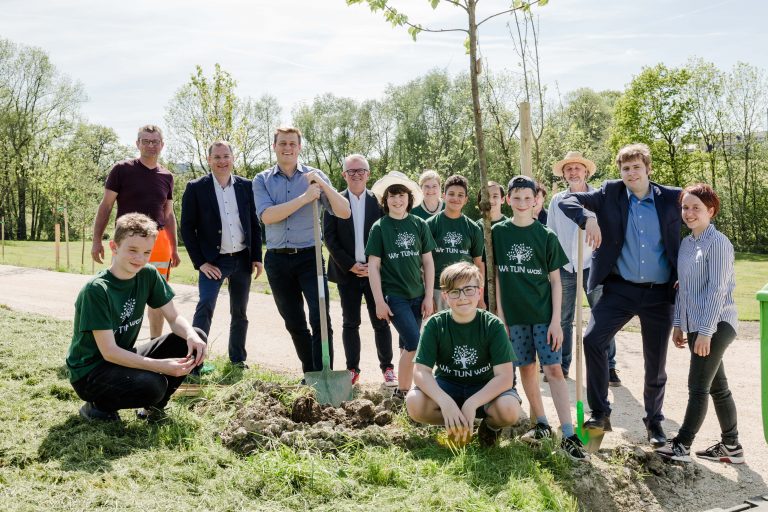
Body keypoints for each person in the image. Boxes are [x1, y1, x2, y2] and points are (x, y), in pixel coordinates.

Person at [558, 143, 681, 448]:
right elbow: (567, 199)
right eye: (625, 168)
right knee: (593, 340)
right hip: (619, 288)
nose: (630, 173)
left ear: (648, 169)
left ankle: (654, 423)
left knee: (655, 362)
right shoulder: (610, 193)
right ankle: (600, 413)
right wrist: (587, 218)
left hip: (659, 293)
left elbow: (700, 213)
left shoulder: (672, 198)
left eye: (636, 167)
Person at [67, 213, 207, 422]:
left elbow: (173, 316)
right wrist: (162, 366)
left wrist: (190, 335)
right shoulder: (96, 290)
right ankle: (97, 406)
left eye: (146, 252)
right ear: (114, 247)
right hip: (91, 372)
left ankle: (152, 409)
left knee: (195, 336)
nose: (139, 258)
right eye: (132, 250)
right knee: (154, 384)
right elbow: (109, 352)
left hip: (121, 357)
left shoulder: (148, 275)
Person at [493, 175, 588, 461]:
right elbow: (497, 275)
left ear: (536, 200)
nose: (522, 203)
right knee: (526, 369)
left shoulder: (545, 235)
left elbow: (556, 281)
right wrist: (501, 315)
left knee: (554, 370)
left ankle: (569, 433)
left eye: (528, 198)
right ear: (508, 199)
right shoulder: (497, 233)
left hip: (545, 317)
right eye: (516, 198)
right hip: (515, 317)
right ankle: (542, 424)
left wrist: (557, 320)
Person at [655, 184, 743, 464]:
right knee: (718, 387)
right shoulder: (687, 243)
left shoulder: (718, 244)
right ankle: (732, 447)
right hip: (696, 325)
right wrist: (679, 324)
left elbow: (716, 290)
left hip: (717, 324)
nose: (689, 213)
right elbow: (683, 288)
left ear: (711, 211)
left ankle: (682, 444)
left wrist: (705, 332)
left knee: (697, 386)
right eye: (685, 207)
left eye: (696, 208)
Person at [253, 127, 351, 373]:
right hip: (277, 260)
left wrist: (323, 188)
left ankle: (324, 373)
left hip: (311, 259)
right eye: (283, 143)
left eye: (292, 144)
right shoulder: (262, 180)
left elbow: (344, 211)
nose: (288, 148)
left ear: (299, 148)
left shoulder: (314, 175)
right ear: (274, 146)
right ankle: (311, 373)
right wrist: (305, 198)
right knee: (294, 322)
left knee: (320, 318)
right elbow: (268, 216)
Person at [406, 262, 521, 447]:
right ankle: (455, 423)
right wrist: (445, 401)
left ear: (479, 292)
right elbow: (421, 372)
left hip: (485, 388)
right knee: (414, 403)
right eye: (454, 291)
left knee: (509, 410)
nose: (462, 297)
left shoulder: (493, 325)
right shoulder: (435, 324)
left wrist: (472, 403)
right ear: (445, 295)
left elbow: (505, 377)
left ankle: (489, 428)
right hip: (449, 385)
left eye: (468, 289)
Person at [91, 124, 180, 339]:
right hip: (127, 240)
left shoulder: (167, 176)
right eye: (146, 141)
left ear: (162, 145)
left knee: (158, 297)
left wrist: (174, 249)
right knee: (120, 290)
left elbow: (168, 215)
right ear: (137, 143)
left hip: (158, 244)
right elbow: (106, 206)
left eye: (155, 141)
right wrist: (96, 240)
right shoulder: (122, 169)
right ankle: (113, 343)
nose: (151, 145)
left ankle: (154, 344)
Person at [180, 141, 263, 368]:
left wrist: (257, 257)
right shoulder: (196, 187)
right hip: (213, 261)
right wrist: (200, 263)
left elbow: (254, 224)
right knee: (205, 306)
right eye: (217, 157)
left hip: (242, 260)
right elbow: (186, 228)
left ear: (233, 158)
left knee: (240, 312)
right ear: (209, 160)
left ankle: (237, 360)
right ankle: (194, 363)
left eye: (226, 156)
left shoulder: (246, 186)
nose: (222, 161)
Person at [548, 152, 620, 385]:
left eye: (577, 168)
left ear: (586, 172)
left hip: (593, 265)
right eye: (568, 169)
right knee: (563, 318)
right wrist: (554, 264)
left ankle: (609, 367)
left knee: (602, 316)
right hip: (565, 266)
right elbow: (551, 232)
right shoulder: (557, 200)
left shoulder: (599, 197)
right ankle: (562, 364)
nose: (573, 172)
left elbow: (609, 231)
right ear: (564, 174)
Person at [323, 154, 396, 386]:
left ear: (368, 174)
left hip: (375, 273)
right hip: (347, 272)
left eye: (360, 171)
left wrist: (376, 265)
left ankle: (387, 368)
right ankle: (352, 369)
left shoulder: (380, 202)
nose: (356, 175)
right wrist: (350, 264)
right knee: (350, 322)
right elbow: (329, 238)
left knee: (381, 320)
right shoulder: (334, 201)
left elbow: (388, 237)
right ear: (344, 175)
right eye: (351, 171)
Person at [366, 171, 435, 398]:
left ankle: (402, 393)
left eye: (401, 195)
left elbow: (428, 261)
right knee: (416, 344)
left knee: (408, 346)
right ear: (385, 200)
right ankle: (411, 390)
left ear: (409, 198)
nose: (397, 200)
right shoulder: (380, 227)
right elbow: (373, 266)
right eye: (392, 196)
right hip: (395, 297)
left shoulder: (419, 224)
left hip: (417, 295)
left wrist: (428, 296)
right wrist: (378, 301)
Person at [426, 174, 485, 312]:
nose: (456, 198)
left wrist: (480, 298)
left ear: (466, 199)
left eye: (460, 195)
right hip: (438, 289)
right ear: (443, 195)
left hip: (466, 290)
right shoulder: (430, 225)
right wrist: (427, 296)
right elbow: (422, 263)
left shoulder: (473, 228)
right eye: (451, 194)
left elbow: (479, 264)